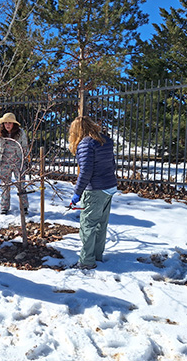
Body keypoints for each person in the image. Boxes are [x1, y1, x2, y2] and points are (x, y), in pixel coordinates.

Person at [68, 116, 118, 270]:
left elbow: (85, 172)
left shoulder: (85, 144)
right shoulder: (105, 141)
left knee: (87, 225)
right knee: (100, 224)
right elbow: (112, 164)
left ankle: (86, 261)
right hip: (109, 187)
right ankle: (96, 255)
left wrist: (77, 193)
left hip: (95, 189)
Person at [0, 112, 29, 215]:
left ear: (14, 124)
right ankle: (4, 207)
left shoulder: (20, 133)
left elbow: (25, 147)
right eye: (5, 123)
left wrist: (26, 159)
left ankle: (24, 206)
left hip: (18, 162)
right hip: (4, 163)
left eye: (10, 123)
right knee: (5, 186)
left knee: (21, 185)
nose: (7, 125)